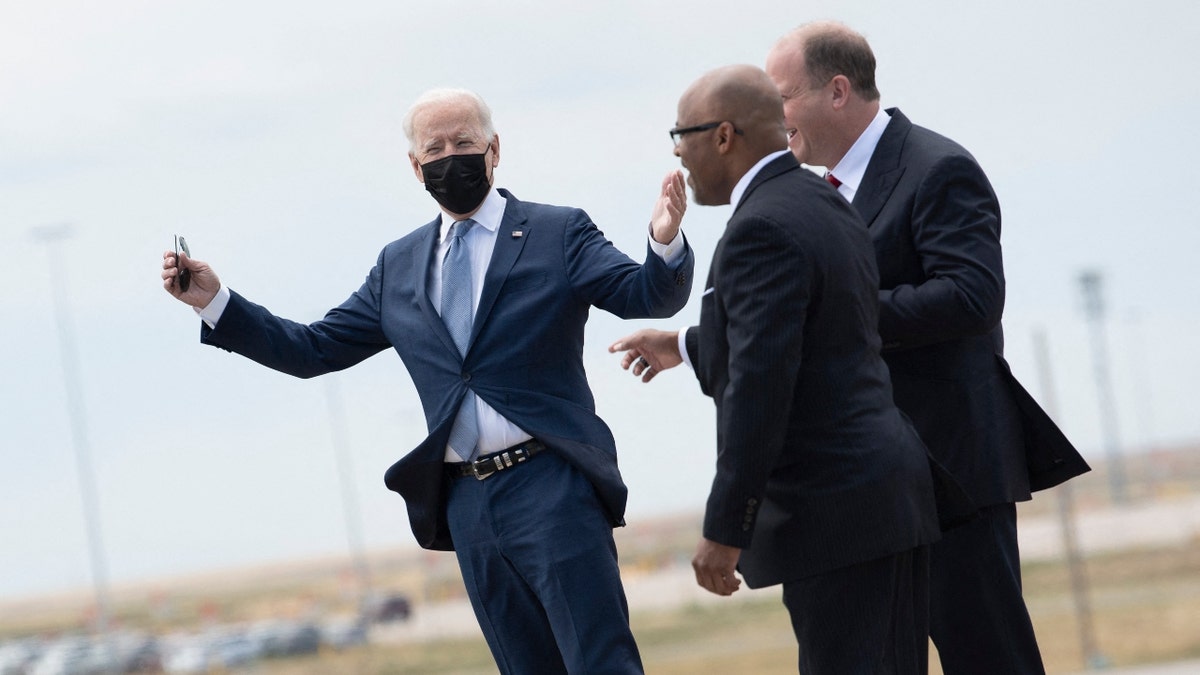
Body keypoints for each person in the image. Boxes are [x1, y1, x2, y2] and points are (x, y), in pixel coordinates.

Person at [160, 87, 695, 674]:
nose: (450, 157)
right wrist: (215, 303)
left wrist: (664, 243)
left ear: (494, 150)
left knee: (600, 664)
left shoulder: (557, 233)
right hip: (468, 503)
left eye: (464, 142)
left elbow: (647, 294)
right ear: (415, 167)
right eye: (434, 148)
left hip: (552, 486)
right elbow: (313, 348)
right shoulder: (399, 267)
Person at [764, 22, 1091, 674]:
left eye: (782, 98)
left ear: (836, 91)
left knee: (988, 657)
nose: (775, 120)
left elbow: (972, 296)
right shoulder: (802, 197)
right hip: (849, 486)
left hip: (951, 474)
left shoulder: (938, 168)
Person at [609, 65, 940, 674]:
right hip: (883, 499)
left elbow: (760, 388)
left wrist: (725, 527)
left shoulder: (759, 227)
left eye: (680, 135)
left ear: (724, 136)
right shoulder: (820, 199)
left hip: (835, 515)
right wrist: (683, 343)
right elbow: (808, 340)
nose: (678, 154)